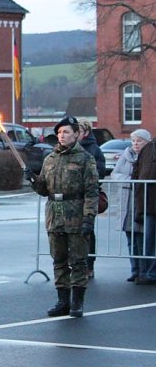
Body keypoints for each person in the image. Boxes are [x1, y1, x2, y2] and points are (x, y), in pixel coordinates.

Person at [26, 116, 99, 317]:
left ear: (76, 134)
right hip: (55, 213)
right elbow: (43, 189)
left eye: (66, 132)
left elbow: (92, 192)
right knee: (58, 259)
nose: (62, 136)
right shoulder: (50, 159)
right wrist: (33, 179)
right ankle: (62, 300)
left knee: (78, 261)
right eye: (59, 132)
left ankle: (77, 302)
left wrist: (89, 218)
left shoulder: (85, 159)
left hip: (75, 213)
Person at [111, 129, 151, 282]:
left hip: (141, 202)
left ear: (147, 143)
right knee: (130, 239)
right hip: (127, 201)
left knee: (142, 239)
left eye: (139, 141)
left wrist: (139, 181)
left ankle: (144, 271)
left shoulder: (149, 157)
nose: (135, 144)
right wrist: (130, 180)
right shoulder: (126, 156)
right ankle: (134, 270)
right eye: (134, 140)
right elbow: (115, 174)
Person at [77, 118, 107, 279]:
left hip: (88, 196)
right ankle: (75, 264)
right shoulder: (71, 148)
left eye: (79, 131)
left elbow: (100, 172)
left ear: (86, 132)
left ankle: (89, 265)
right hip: (72, 199)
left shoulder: (94, 150)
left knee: (88, 231)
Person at [133, 133, 156, 285]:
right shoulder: (148, 149)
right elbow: (136, 175)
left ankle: (149, 273)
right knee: (149, 240)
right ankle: (149, 272)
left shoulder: (148, 148)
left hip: (149, 203)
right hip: (149, 204)